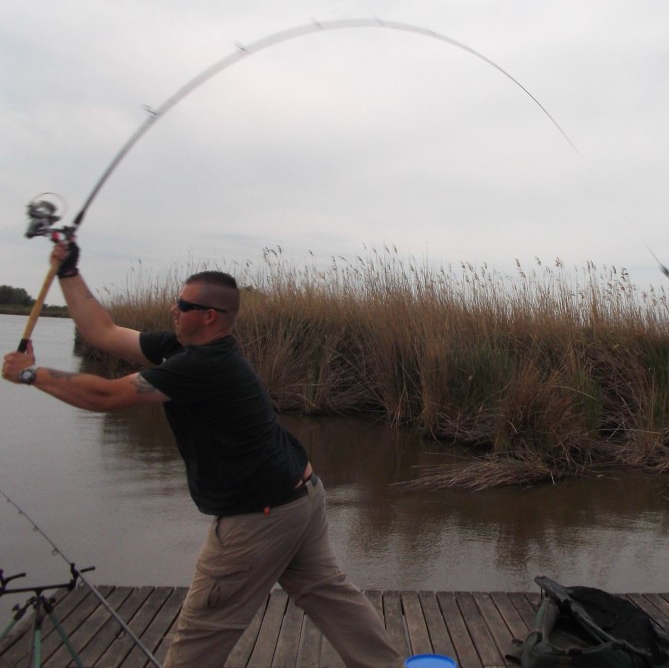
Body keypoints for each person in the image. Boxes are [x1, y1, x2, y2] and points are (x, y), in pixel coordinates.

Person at [2, 241, 404, 668]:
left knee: (201, 630)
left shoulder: (206, 366)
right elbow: (103, 332)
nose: (173, 309)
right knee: (330, 595)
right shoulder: (182, 347)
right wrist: (69, 272)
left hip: (260, 515)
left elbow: (104, 396)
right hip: (300, 495)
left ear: (209, 316)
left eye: (183, 304)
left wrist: (31, 374)